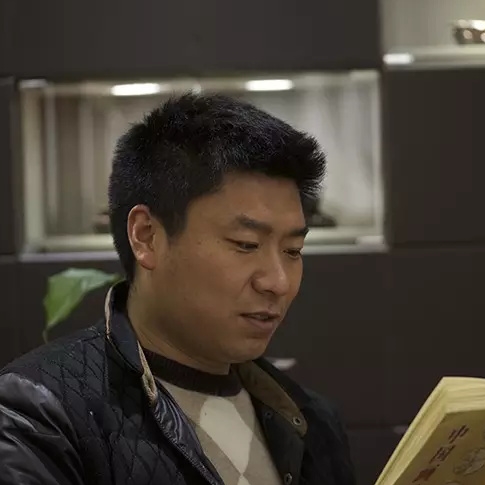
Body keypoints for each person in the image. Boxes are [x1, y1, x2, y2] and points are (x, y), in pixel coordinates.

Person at [0, 93, 355, 485]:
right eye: (246, 244)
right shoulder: (38, 414)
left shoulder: (311, 420)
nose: (278, 282)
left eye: (293, 250)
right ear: (147, 236)